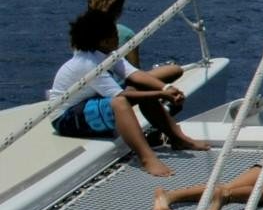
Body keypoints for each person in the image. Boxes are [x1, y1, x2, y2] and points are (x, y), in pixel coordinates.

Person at [48, 9, 208, 177]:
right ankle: (147, 157)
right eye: (114, 34)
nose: (118, 36)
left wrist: (165, 88)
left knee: (154, 79)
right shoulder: (88, 63)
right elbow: (120, 97)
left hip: (90, 103)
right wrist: (160, 95)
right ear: (102, 41)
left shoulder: (106, 54)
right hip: (66, 119)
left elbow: (135, 75)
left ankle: (177, 138)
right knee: (120, 103)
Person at [86, 0, 184, 84]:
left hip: (93, 86)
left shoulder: (82, 32)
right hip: (121, 88)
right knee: (174, 69)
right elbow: (135, 72)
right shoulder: (125, 34)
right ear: (119, 10)